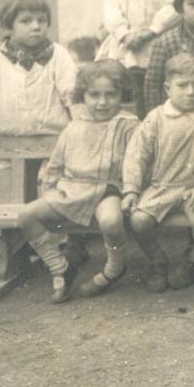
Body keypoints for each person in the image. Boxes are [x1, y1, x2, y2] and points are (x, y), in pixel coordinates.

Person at [17, 60, 136, 303]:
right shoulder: (74, 125)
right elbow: (57, 162)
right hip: (71, 189)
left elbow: (137, 161)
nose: (102, 102)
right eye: (94, 95)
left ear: (122, 94)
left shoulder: (128, 124)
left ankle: (114, 268)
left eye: (110, 95)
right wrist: (50, 187)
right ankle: (59, 266)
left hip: (107, 188)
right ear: (83, 95)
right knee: (26, 215)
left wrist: (132, 190)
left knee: (112, 221)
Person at [121, 53, 194, 292]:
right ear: (168, 88)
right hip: (162, 185)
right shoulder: (156, 118)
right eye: (182, 85)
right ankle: (157, 261)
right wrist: (132, 189)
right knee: (139, 220)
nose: (191, 92)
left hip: (193, 188)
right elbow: (137, 154)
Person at [0, 0, 76, 149]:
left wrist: (79, 125)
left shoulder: (58, 55)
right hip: (7, 141)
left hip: (53, 139)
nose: (36, 27)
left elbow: (72, 93)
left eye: (42, 20)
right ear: (10, 24)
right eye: (26, 21)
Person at [97, 0, 182, 117]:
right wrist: (124, 34)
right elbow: (111, 10)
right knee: (130, 88)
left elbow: (174, 7)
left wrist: (153, 30)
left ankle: (156, 121)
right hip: (128, 44)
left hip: (158, 41)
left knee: (158, 87)